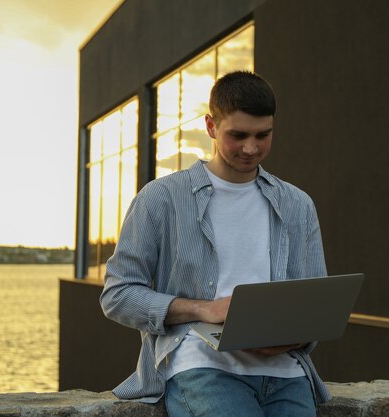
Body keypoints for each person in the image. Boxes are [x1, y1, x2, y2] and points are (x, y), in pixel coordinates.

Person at [100, 71, 330, 416]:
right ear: (211, 126)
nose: (251, 148)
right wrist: (202, 309)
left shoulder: (298, 205)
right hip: (200, 366)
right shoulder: (161, 197)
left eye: (262, 135)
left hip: (285, 370)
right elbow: (117, 295)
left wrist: (296, 336)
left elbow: (315, 305)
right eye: (237, 135)